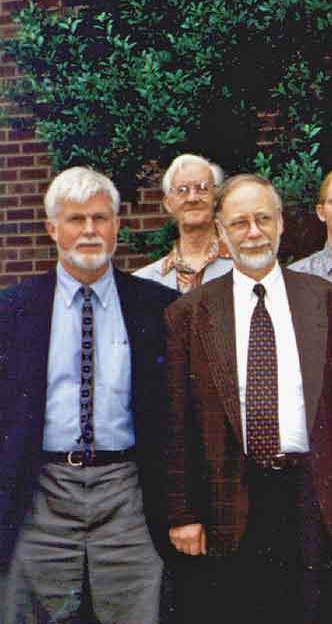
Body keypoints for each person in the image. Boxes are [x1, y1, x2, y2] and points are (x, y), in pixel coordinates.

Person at [163, 174, 332, 624]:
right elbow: (176, 421)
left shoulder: (327, 302)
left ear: (281, 224)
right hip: (230, 495)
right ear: (222, 234)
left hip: (312, 495)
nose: (253, 231)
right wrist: (183, 512)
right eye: (239, 222)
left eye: (263, 219)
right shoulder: (188, 314)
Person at [1, 166, 177, 623]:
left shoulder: (157, 308)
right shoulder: (12, 311)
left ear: (117, 225)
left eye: (100, 218)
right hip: (42, 491)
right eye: (76, 219)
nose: (89, 231)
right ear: (52, 228)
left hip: (128, 493)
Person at [134, 153, 232, 292]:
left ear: (215, 198)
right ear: (168, 203)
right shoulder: (144, 283)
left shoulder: (244, 269)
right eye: (182, 190)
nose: (192, 198)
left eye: (202, 188)